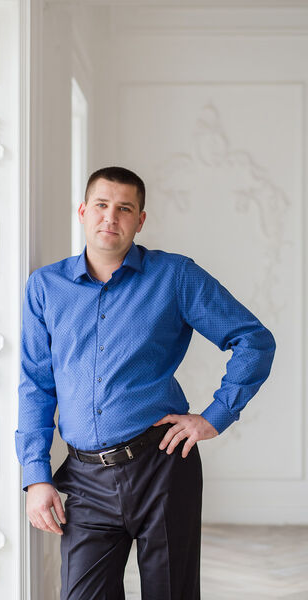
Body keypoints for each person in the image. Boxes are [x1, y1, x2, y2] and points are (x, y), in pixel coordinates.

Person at [15, 166, 276, 600]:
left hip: (162, 468)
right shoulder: (45, 287)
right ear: (83, 212)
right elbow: (35, 385)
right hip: (85, 479)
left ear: (140, 220)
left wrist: (216, 416)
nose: (110, 217)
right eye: (101, 205)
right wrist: (36, 476)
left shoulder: (174, 276)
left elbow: (254, 340)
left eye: (124, 208)